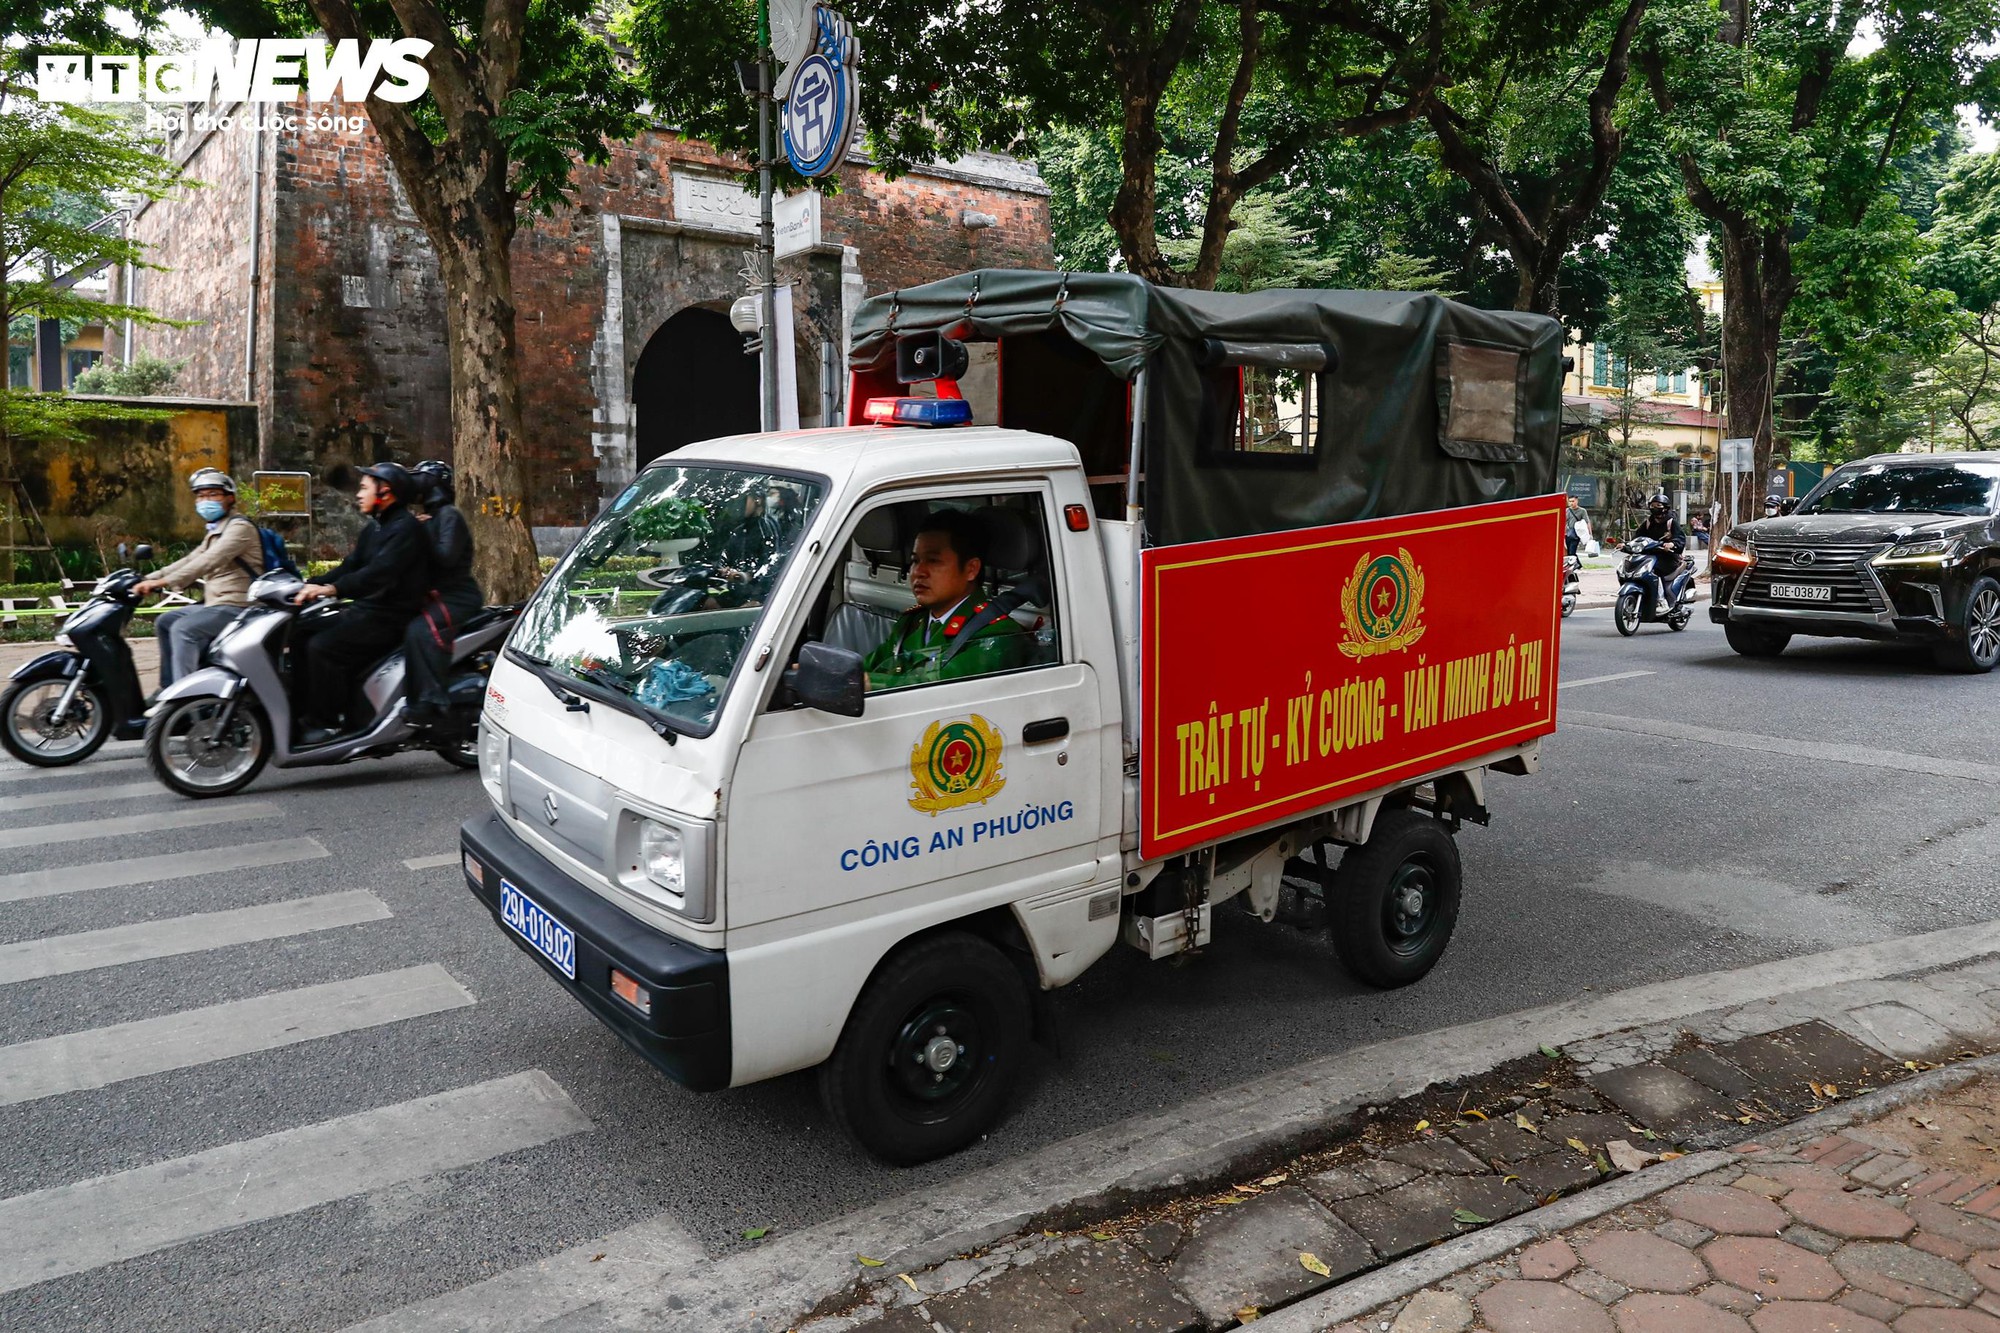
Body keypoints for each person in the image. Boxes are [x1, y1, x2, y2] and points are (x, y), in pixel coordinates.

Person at [291, 462, 429, 744]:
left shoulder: (406, 530)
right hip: (366, 611)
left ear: (386, 492)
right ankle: (300, 712)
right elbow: (350, 566)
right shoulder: (375, 529)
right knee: (298, 631)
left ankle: (327, 723)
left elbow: (378, 573)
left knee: (322, 647)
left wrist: (331, 589)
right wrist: (309, 583)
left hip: (391, 618)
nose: (358, 494)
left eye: (365, 487)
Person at [862, 509, 1026, 689]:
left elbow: (937, 690)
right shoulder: (911, 623)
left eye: (933, 561)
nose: (918, 572)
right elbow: (865, 668)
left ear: (971, 569)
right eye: (915, 561)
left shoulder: (997, 633)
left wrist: (870, 684)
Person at [135, 468, 262, 690]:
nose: (205, 500)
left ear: (229, 498)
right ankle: (167, 687)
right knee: (166, 621)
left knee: (184, 629)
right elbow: (189, 560)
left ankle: (184, 696)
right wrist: (147, 577)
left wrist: (163, 583)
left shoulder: (240, 528)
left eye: (213, 494)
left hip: (239, 605)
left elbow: (209, 561)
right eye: (201, 495)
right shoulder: (216, 530)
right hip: (217, 603)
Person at [403, 460, 483, 726]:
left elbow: (446, 558)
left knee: (420, 630)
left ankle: (431, 700)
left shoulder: (449, 516)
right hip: (436, 595)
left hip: (456, 596)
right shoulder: (430, 519)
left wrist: (420, 533)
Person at [1630, 492, 1687, 608]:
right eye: (1652, 505)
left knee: (1654, 571)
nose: (1655, 508)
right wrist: (1627, 544)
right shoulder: (1648, 522)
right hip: (1650, 556)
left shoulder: (1671, 522)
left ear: (1665, 508)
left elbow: (1680, 539)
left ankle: (1661, 601)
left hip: (1668, 557)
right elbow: (1637, 537)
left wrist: (1672, 544)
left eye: (1658, 505)